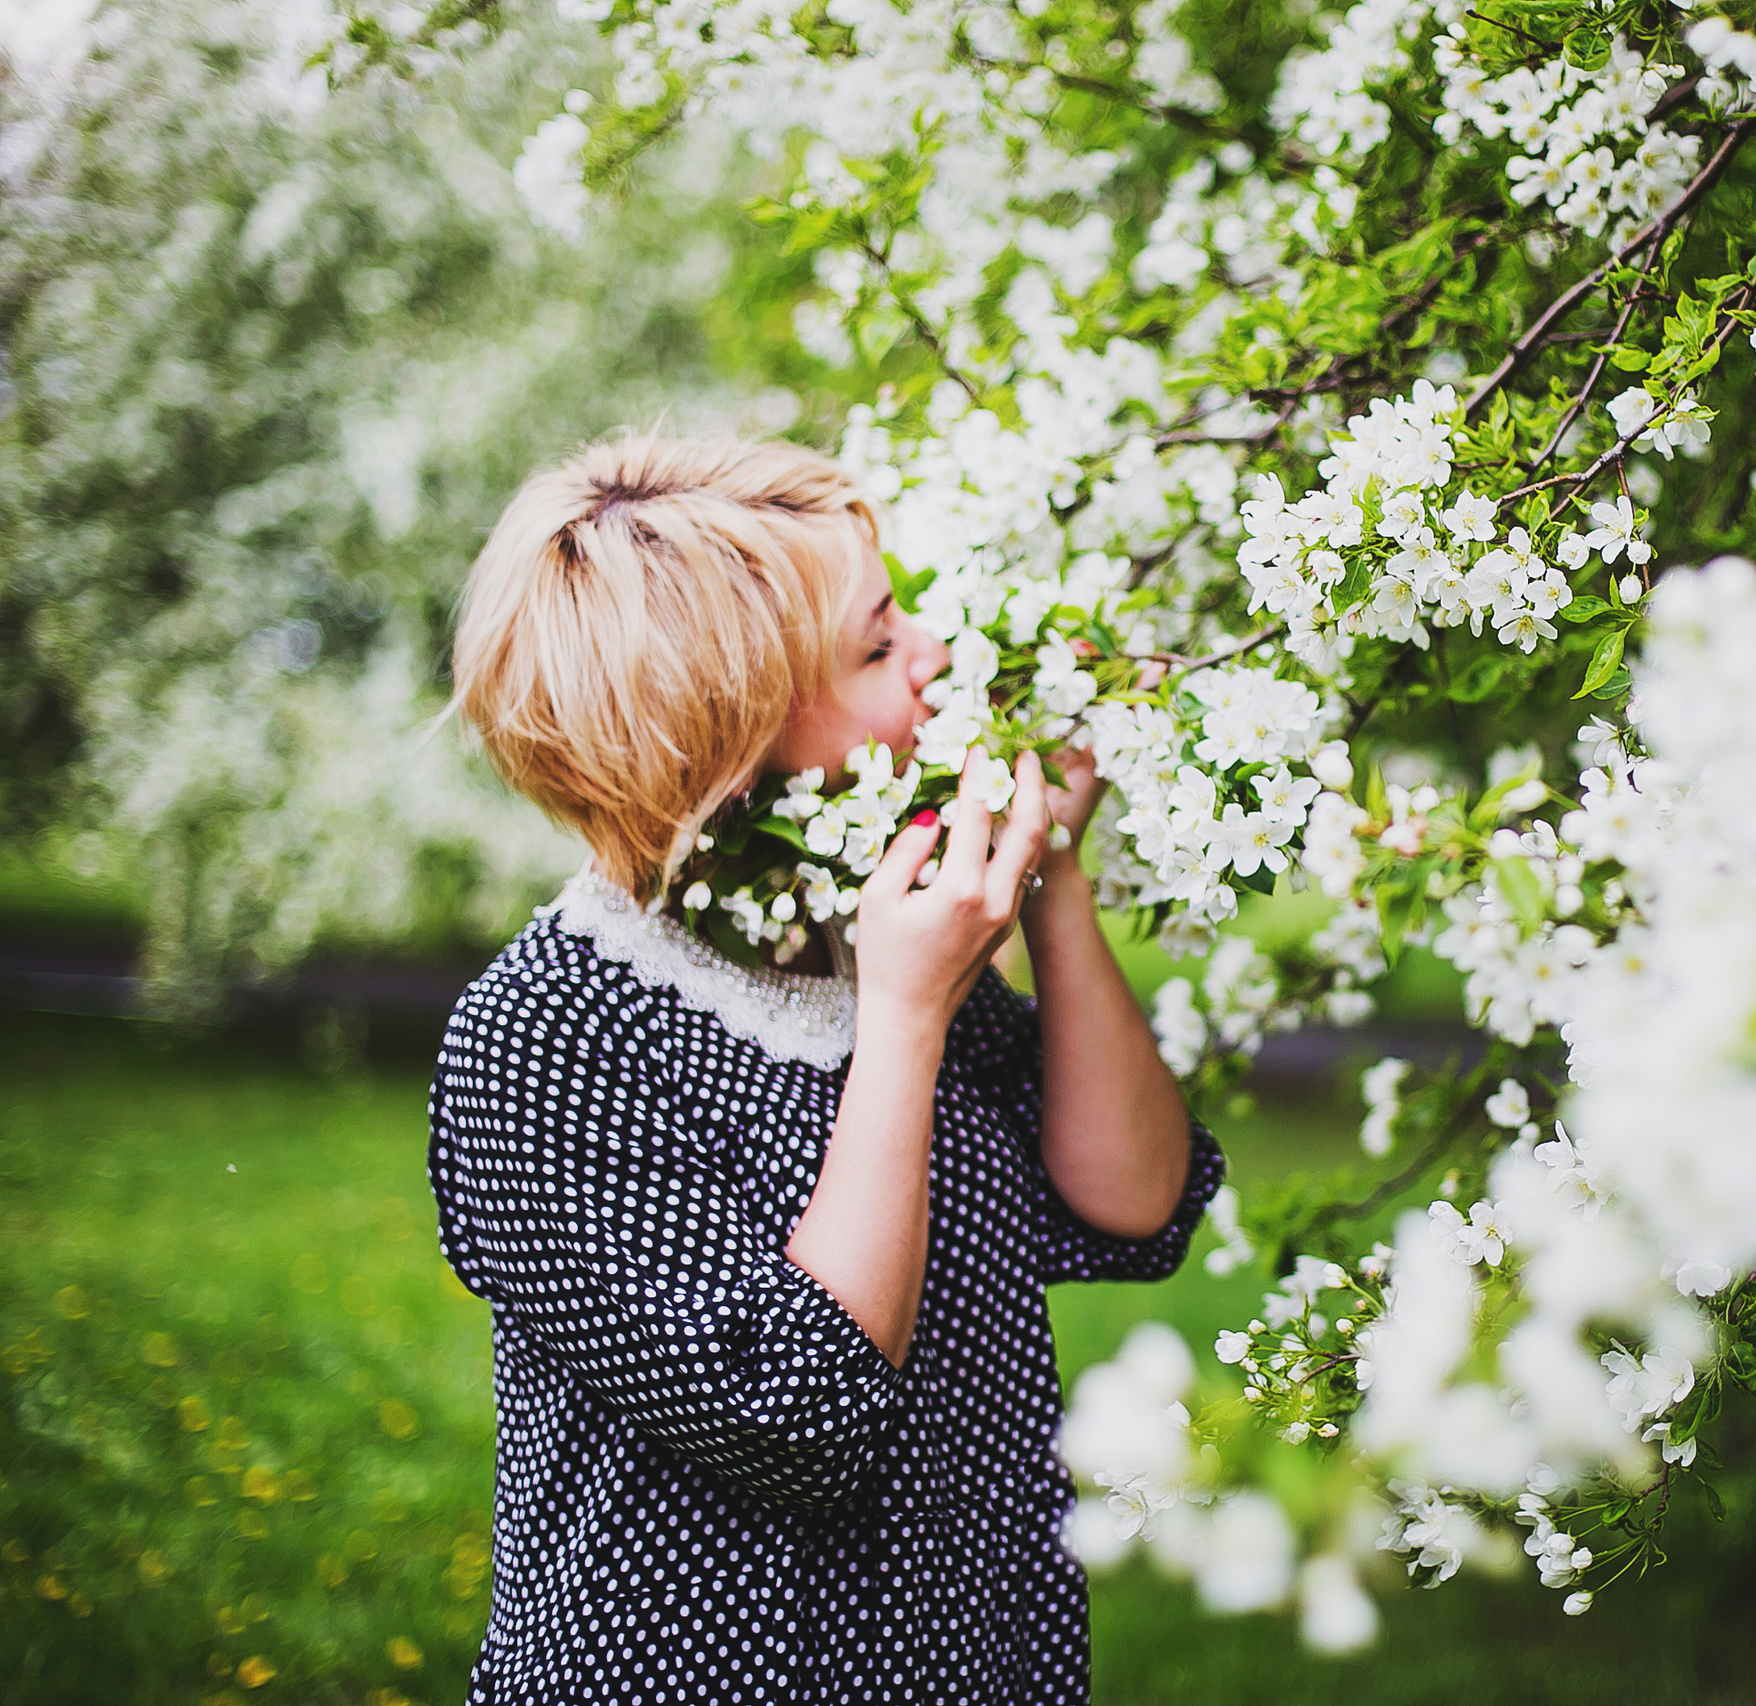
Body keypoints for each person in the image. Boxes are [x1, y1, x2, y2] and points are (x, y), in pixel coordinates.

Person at [430, 435, 1221, 1703]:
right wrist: (904, 1021)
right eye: (874, 644)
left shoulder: (864, 929)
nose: (934, 656)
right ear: (731, 745)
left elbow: (1129, 1202)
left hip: (972, 1660)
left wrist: (1052, 880)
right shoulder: (546, 1035)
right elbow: (800, 1414)